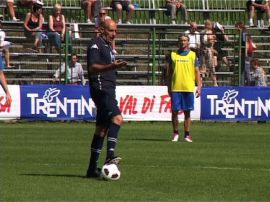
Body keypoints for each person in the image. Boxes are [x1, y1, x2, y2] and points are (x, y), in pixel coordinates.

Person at [86, 19, 127, 178]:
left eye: (115, 31)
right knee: (117, 119)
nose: (114, 34)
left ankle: (91, 169)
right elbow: (92, 67)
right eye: (111, 31)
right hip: (101, 89)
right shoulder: (95, 44)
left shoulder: (108, 46)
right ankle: (110, 156)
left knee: (101, 129)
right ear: (102, 29)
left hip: (108, 89)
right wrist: (112, 66)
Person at [167, 34, 202, 143]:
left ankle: (187, 134)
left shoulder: (192, 55)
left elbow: (197, 72)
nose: (183, 42)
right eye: (181, 40)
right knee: (174, 111)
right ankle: (175, 133)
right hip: (176, 87)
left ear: (188, 42)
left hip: (188, 87)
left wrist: (199, 86)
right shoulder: (173, 55)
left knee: (187, 112)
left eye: (185, 40)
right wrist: (169, 87)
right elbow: (169, 73)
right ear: (178, 42)